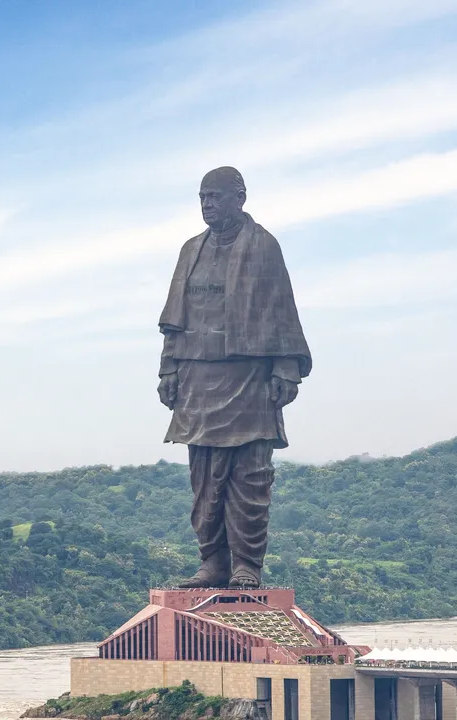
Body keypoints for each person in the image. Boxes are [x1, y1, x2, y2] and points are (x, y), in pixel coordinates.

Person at [157, 166, 311, 589]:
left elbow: (282, 309)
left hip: (248, 377)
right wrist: (169, 368)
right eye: (202, 197)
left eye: (216, 197)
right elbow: (175, 318)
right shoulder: (190, 250)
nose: (208, 204)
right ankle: (213, 562)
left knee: (249, 474)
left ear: (239, 198)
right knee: (204, 476)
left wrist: (285, 367)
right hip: (196, 376)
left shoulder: (263, 246)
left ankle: (247, 564)